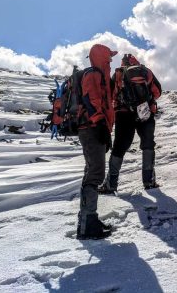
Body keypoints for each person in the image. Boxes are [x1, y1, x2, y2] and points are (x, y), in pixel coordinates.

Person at [98, 53, 162, 194]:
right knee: (148, 144)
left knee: (120, 146)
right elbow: (158, 91)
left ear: (122, 63)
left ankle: (111, 184)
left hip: (123, 113)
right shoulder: (145, 71)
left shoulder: (119, 74)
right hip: (145, 112)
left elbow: (110, 95)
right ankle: (149, 181)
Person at [77, 43, 117, 240]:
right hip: (92, 128)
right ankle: (87, 225)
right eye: (109, 57)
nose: (111, 60)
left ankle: (88, 220)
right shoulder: (93, 74)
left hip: (95, 128)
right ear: (101, 57)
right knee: (95, 174)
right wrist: (101, 125)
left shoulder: (100, 75)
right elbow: (92, 100)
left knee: (92, 172)